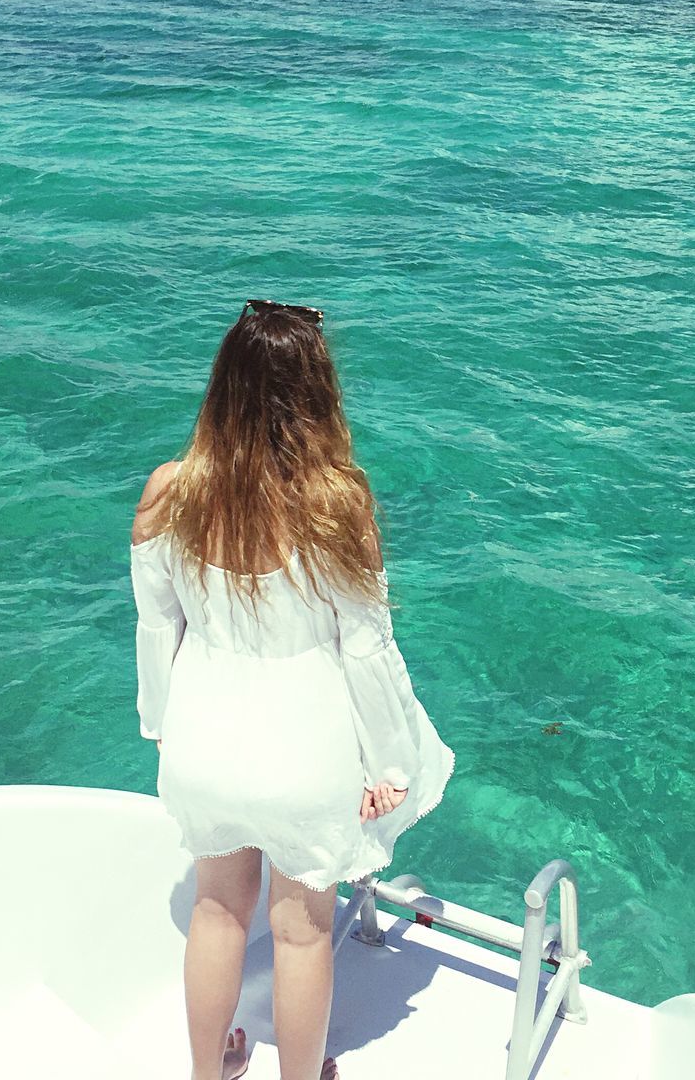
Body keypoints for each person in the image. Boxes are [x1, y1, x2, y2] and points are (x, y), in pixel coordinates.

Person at [130, 298, 456, 1080]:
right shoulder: (337, 503)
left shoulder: (170, 490)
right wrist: (389, 765)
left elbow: (154, 630)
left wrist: (160, 726)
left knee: (216, 912)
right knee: (304, 933)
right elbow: (368, 650)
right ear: (316, 391)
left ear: (225, 385)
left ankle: (210, 1073)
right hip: (305, 751)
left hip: (204, 740)